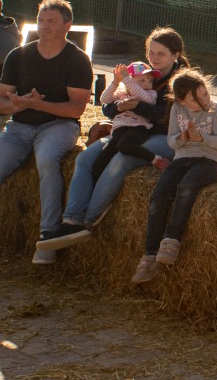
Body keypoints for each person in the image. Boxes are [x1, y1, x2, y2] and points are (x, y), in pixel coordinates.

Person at [53, 27, 189, 246]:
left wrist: (136, 106)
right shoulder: (140, 72)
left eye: (161, 54)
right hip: (130, 129)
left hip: (165, 137)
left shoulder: (183, 82)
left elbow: (166, 117)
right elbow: (108, 108)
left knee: (120, 160)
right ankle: (71, 219)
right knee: (85, 159)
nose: (154, 58)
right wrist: (120, 105)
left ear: (176, 55)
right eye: (151, 52)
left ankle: (88, 220)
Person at [0, 0, 93, 265]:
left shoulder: (77, 59)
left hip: (59, 126)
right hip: (19, 127)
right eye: (41, 19)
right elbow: (2, 99)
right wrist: (16, 105)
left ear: (68, 25)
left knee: (47, 161)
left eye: (51, 21)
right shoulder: (18, 55)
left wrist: (40, 104)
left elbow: (76, 110)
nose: (44, 25)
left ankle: (49, 235)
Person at [131, 69, 217, 283]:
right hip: (182, 157)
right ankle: (149, 253)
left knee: (187, 186)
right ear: (183, 101)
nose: (205, 99)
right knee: (159, 195)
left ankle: (171, 240)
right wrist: (184, 136)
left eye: (205, 93)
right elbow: (171, 142)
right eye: (197, 97)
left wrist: (201, 137)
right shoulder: (176, 109)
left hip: (209, 160)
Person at [88, 62, 171, 180]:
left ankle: (156, 159)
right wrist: (116, 82)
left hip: (138, 128)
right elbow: (104, 99)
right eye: (142, 80)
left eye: (150, 80)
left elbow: (143, 97)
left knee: (124, 145)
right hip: (120, 131)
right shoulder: (122, 94)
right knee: (100, 163)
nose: (147, 83)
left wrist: (127, 79)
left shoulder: (151, 94)